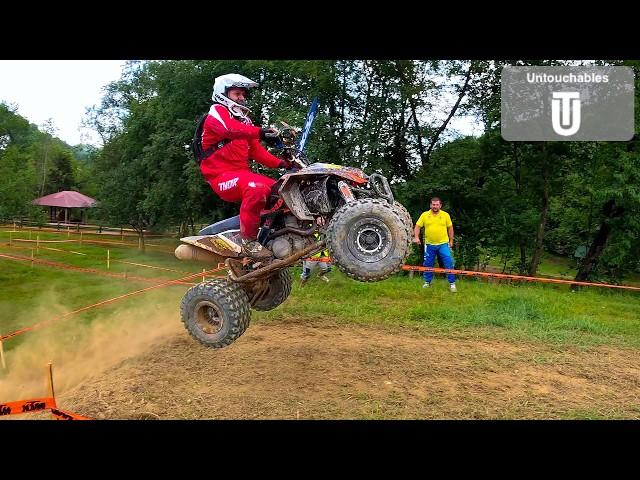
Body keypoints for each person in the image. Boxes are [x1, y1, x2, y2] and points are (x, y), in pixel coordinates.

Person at [199, 73, 293, 260]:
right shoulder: (216, 112)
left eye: (243, 94)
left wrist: (284, 164)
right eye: (237, 94)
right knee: (256, 189)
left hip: (242, 174)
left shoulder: (245, 122)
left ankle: (272, 238)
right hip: (222, 178)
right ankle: (248, 242)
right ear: (223, 94)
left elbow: (257, 153)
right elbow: (228, 129)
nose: (242, 98)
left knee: (283, 190)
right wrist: (260, 132)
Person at [413, 197, 457, 292]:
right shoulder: (425, 215)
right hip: (429, 245)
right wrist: (416, 237)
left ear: (440, 205)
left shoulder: (445, 215)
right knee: (428, 264)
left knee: (448, 262)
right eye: (433, 204)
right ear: (430, 205)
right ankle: (427, 282)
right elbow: (417, 226)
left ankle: (452, 284)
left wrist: (451, 241)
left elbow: (450, 228)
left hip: (443, 244)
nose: (435, 206)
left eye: (437, 204)